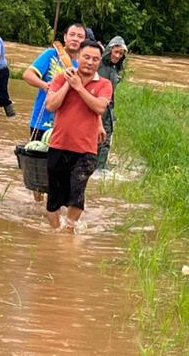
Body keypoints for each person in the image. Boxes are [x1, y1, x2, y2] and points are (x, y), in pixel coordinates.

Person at [44, 40, 112, 230]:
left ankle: (69, 231)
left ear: (100, 62)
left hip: (85, 151)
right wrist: (69, 84)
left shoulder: (104, 84)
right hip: (58, 145)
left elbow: (99, 107)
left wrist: (80, 87)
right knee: (54, 199)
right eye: (86, 57)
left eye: (95, 59)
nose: (90, 62)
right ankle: (55, 233)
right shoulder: (60, 78)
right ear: (78, 57)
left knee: (77, 194)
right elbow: (50, 106)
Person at [22, 23, 86, 201]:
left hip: (68, 125)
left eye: (79, 36)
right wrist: (45, 85)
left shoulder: (84, 63)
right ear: (65, 37)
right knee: (39, 167)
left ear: (84, 40)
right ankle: (38, 204)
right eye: (72, 35)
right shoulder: (52, 55)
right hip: (43, 120)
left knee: (62, 169)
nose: (75, 39)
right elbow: (28, 75)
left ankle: (53, 206)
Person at [95, 36, 128, 171]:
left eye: (120, 54)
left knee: (106, 139)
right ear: (110, 50)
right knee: (96, 138)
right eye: (116, 52)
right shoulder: (98, 64)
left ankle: (100, 168)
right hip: (96, 106)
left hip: (109, 108)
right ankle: (95, 167)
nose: (118, 56)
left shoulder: (115, 67)